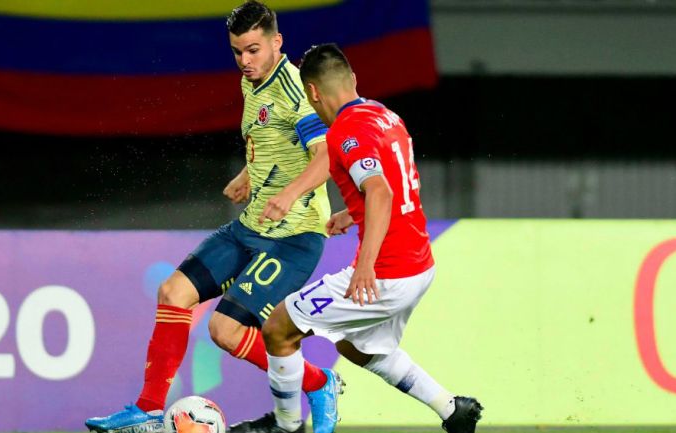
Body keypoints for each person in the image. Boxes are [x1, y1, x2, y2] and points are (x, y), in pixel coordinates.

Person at [84, 3, 344, 433]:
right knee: (173, 292)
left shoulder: (296, 90)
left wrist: (290, 194)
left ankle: (319, 383)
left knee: (224, 331)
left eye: (254, 50)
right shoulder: (253, 82)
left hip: (293, 236)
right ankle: (148, 408)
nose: (245, 61)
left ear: (278, 43)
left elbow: (326, 154)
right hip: (251, 227)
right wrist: (249, 174)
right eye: (238, 52)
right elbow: (275, 140)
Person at [230, 44, 483, 433]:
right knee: (357, 346)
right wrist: (351, 212)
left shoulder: (348, 130)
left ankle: (286, 426)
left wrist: (365, 264)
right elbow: (395, 184)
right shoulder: (384, 115)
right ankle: (451, 408)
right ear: (353, 80)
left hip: (387, 270)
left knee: (278, 328)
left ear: (312, 92)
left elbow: (380, 191)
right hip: (419, 265)